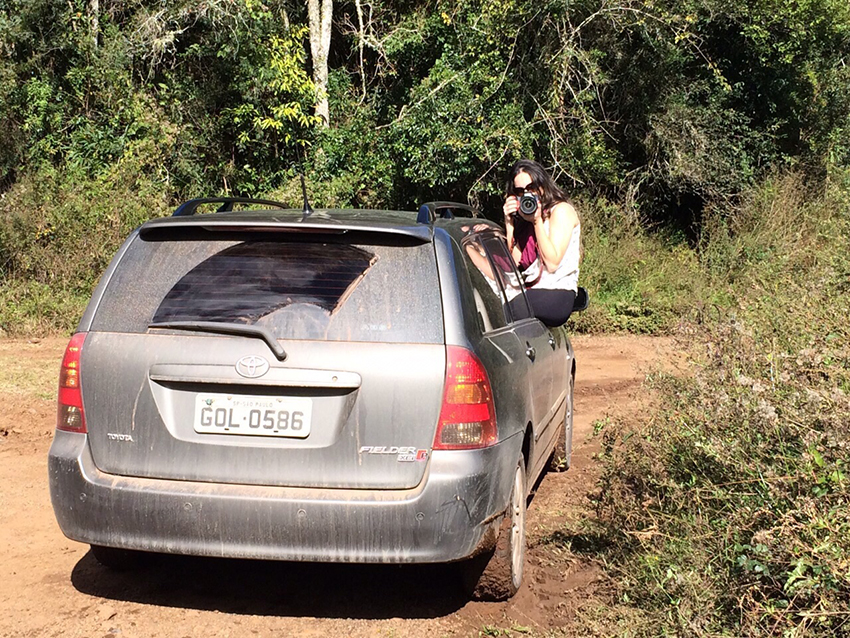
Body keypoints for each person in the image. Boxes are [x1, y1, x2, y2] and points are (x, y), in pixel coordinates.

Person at [502, 159, 581, 327]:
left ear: (542, 185)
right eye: (519, 191)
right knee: (494, 310)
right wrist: (510, 225)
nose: (527, 194)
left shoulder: (561, 211)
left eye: (531, 188)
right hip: (532, 292)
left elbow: (552, 263)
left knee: (501, 311)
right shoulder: (525, 219)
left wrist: (537, 221)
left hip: (557, 294)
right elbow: (513, 264)